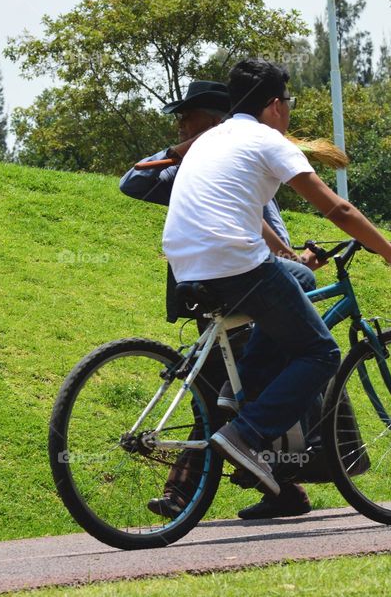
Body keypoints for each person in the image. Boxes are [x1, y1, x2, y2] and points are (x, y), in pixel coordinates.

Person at [162, 59, 391, 500]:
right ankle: (246, 432)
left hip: (185, 265)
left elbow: (232, 211)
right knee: (320, 353)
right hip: (236, 265)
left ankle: (236, 393)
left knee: (295, 278)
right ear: (276, 105)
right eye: (289, 102)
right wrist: (390, 252)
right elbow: (338, 210)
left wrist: (284, 252)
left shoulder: (208, 139)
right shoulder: (267, 140)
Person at [119, 80, 319, 519]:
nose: (180, 122)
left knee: (246, 387)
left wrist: (295, 261)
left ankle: (279, 486)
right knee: (222, 393)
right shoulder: (194, 162)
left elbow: (265, 229)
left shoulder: (245, 156)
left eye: (187, 116)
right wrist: (187, 144)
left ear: (215, 118)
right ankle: (241, 484)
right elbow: (132, 181)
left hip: (258, 280)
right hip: (233, 290)